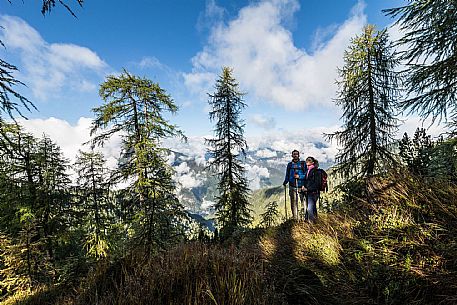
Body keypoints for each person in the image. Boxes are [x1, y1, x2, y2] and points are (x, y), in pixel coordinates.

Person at [282, 150, 306, 220]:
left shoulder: (303, 164)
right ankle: (295, 218)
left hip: (301, 186)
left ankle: (305, 217)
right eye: (294, 154)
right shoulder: (289, 165)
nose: (295, 155)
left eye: (296, 154)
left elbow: (306, 175)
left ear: (299, 155)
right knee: (293, 203)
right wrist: (285, 182)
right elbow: (287, 174)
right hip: (292, 186)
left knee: (303, 202)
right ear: (292, 156)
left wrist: (299, 176)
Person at [302, 156, 320, 222]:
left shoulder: (316, 171)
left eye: (309, 161)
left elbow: (316, 184)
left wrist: (307, 189)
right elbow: (307, 181)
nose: (308, 166)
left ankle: (311, 224)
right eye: (306, 161)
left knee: (309, 209)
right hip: (309, 193)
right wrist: (303, 186)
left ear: (313, 163)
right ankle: (316, 222)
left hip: (314, 193)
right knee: (313, 208)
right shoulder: (308, 171)